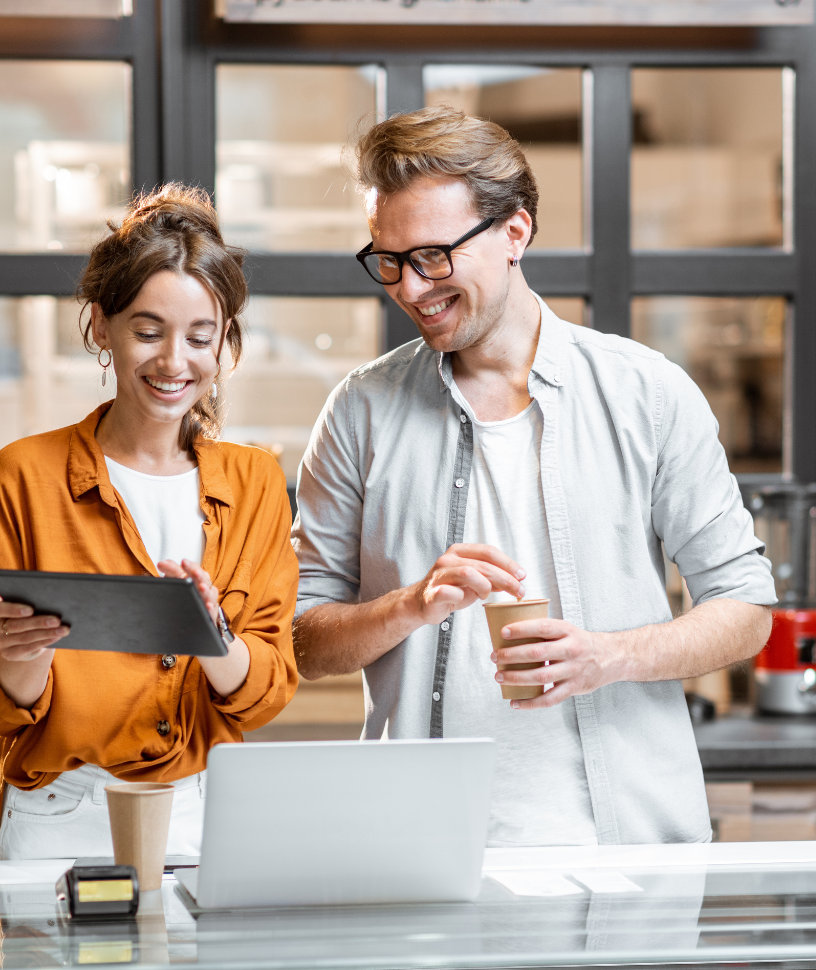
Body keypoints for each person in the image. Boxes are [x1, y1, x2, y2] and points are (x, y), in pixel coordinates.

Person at [291, 107, 776, 846]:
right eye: (388, 260)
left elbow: (745, 608)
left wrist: (608, 656)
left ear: (514, 232)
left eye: (432, 256)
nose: (409, 288)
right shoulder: (361, 410)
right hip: (419, 851)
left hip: (627, 854)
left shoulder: (645, 392)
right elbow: (300, 638)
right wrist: (407, 607)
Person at [0, 184, 298, 861]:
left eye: (201, 337)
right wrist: (26, 654)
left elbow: (262, 696)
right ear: (100, 328)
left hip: (203, 817)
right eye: (148, 332)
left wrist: (212, 636)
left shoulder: (256, 480)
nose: (175, 362)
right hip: (58, 814)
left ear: (225, 341)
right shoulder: (25, 474)